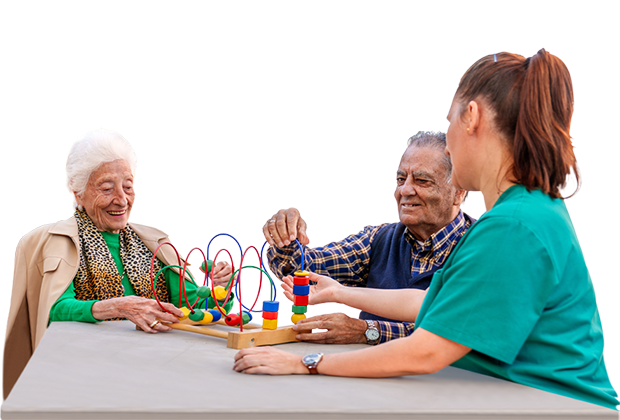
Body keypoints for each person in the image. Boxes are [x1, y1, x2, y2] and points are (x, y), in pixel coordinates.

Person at [234, 50, 620, 409]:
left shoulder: (511, 228)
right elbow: (432, 304)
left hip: (554, 405)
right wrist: (340, 292)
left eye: (449, 122)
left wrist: (306, 363)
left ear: (471, 117)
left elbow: (426, 351)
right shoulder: (530, 211)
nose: (448, 146)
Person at [0, 129, 232, 400]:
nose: (121, 199)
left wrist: (219, 289)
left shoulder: (154, 243)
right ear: (78, 192)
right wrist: (114, 307)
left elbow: (193, 308)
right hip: (81, 374)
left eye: (128, 186)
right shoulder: (58, 241)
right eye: (107, 188)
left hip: (158, 374)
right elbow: (53, 308)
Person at [263, 131, 471, 345]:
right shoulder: (379, 240)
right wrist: (287, 239)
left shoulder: (481, 248)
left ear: (458, 192)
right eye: (401, 179)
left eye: (422, 181)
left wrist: (368, 331)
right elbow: (305, 268)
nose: (405, 190)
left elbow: (456, 331)